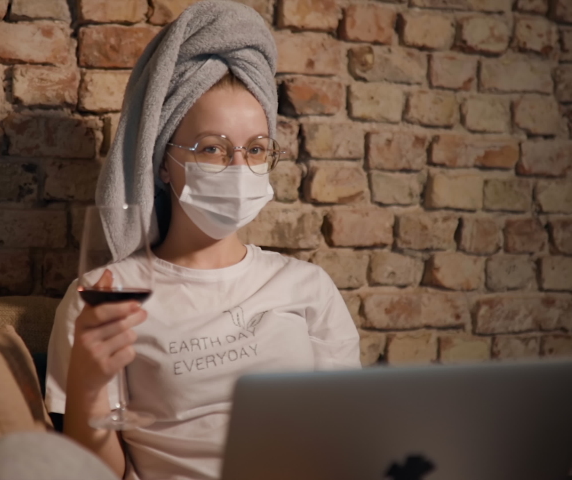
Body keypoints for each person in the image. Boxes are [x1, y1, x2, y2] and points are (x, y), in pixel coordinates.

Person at [45, 2, 361, 479]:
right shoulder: (104, 296)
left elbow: (347, 433)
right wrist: (88, 387)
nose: (239, 167)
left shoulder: (308, 286)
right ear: (162, 162)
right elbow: (97, 472)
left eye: (256, 149)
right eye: (212, 148)